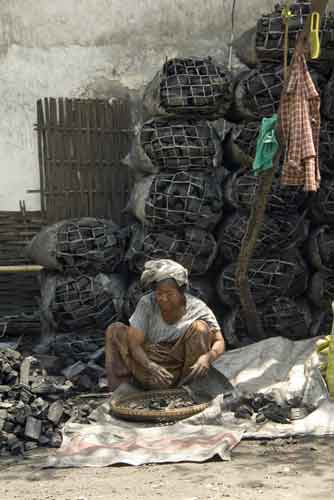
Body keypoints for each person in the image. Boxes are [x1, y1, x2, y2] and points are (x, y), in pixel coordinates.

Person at [105, 259, 225, 391]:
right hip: (151, 369)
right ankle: (121, 391)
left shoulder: (198, 308)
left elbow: (219, 341)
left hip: (179, 372)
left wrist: (207, 358)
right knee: (115, 330)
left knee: (200, 328)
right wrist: (150, 366)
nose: (163, 298)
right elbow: (134, 344)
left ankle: (189, 388)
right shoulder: (147, 303)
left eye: (169, 294)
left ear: (182, 291)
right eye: (159, 293)